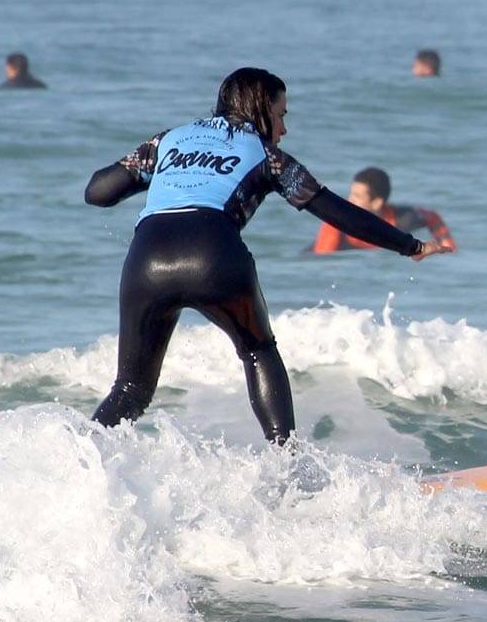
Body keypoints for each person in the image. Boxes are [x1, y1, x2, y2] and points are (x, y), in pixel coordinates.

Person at [84, 67, 452, 445]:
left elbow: (97, 192)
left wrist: (166, 169)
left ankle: (81, 463)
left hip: (147, 264)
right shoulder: (268, 156)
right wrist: (412, 246)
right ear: (261, 110)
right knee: (258, 351)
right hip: (215, 258)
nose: (283, 128)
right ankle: (286, 464)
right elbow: (336, 212)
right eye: (281, 115)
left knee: (130, 390)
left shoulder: (167, 141)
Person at [311, 166, 457, 254]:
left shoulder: (404, 219)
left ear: (377, 203)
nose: (349, 200)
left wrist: (448, 248)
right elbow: (323, 263)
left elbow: (432, 217)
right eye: (351, 194)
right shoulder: (335, 225)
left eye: (357, 197)